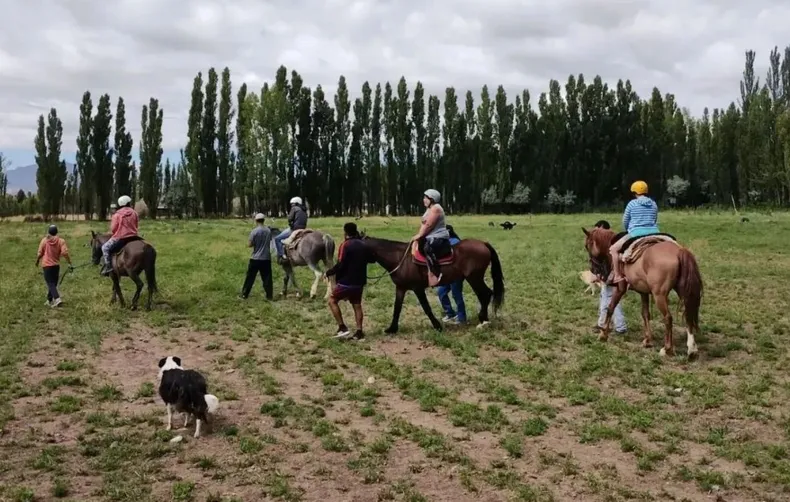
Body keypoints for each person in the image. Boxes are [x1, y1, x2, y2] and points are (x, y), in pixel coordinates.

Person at [325, 222, 373, 340]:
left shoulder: (345, 245)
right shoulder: (363, 244)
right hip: (359, 282)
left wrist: (329, 272)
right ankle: (359, 332)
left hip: (347, 282)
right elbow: (371, 259)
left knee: (332, 300)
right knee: (357, 305)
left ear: (345, 232)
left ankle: (342, 327)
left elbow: (341, 264)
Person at [610, 181, 660, 283]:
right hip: (655, 232)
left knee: (613, 250)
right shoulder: (654, 204)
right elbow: (654, 219)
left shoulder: (632, 204)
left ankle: (617, 275)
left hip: (636, 233)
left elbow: (625, 220)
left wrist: (628, 229)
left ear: (634, 192)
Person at [592, 220, 626, 334]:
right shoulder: (603, 243)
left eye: (598, 230)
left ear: (603, 228)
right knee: (604, 298)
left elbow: (611, 261)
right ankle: (602, 323)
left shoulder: (611, 244)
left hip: (612, 276)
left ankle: (620, 326)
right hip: (607, 276)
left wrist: (608, 277)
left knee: (612, 299)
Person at [412, 189, 450, 286]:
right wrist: (418, 237)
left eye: (426, 198)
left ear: (432, 199)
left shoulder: (436, 208)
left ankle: (435, 273)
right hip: (430, 236)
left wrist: (419, 235)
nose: (423, 200)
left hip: (438, 237)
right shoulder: (429, 208)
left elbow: (429, 225)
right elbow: (423, 224)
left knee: (428, 248)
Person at [100, 195, 140, 276]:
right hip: (134, 236)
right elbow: (136, 225)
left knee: (105, 248)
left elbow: (113, 229)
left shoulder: (117, 215)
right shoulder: (134, 212)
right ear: (128, 203)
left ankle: (108, 267)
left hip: (121, 237)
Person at [36, 225, 73, 307]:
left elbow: (40, 253)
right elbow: (65, 253)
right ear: (56, 232)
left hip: (46, 266)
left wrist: (37, 260)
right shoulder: (61, 241)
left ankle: (57, 299)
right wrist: (69, 262)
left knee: (50, 284)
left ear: (48, 232)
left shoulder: (44, 241)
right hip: (56, 266)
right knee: (53, 284)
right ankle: (49, 300)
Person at [436, 225, 466, 324]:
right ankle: (450, 313)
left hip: (456, 273)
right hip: (447, 274)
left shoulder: (455, 242)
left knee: (456, 294)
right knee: (441, 292)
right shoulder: (444, 242)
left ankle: (462, 317)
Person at [240, 213, 273, 300]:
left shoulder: (254, 231)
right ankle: (269, 296)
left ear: (256, 220)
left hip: (255, 258)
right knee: (267, 278)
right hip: (266, 258)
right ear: (263, 220)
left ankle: (244, 294)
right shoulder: (268, 231)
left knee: (250, 277)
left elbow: (250, 244)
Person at [274, 196, 308, 263]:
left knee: (277, 239)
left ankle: (282, 256)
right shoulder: (304, 210)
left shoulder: (294, 208)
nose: (292, 205)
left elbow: (289, 219)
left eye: (292, 203)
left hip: (294, 229)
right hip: (303, 229)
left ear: (296, 203)